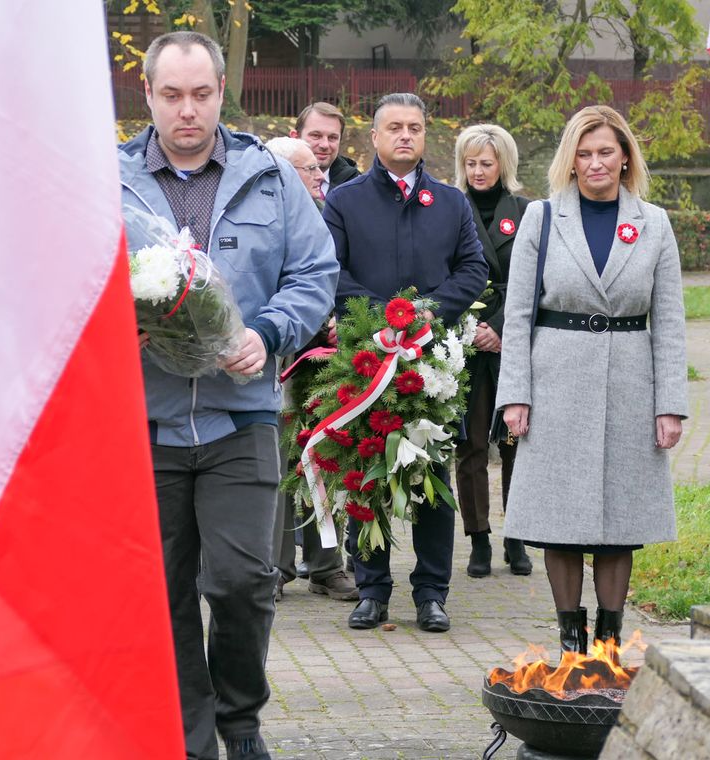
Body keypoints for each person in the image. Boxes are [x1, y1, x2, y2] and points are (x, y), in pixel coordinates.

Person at [119, 31, 339, 760]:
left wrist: (269, 333)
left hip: (240, 416)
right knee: (162, 593)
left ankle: (239, 716)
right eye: (172, 95)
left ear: (222, 91)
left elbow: (314, 273)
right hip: (141, 424)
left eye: (202, 94)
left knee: (244, 579)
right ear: (147, 94)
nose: (188, 110)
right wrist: (120, 326)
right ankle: (191, 736)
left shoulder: (268, 178)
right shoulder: (107, 180)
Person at [495, 105, 687, 656]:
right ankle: (570, 643)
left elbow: (669, 320)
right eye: (584, 153)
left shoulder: (655, 223)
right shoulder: (542, 218)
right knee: (559, 522)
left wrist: (669, 403)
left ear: (625, 157)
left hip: (631, 384)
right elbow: (517, 314)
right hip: (556, 382)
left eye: (606, 151)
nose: (595, 162)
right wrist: (516, 394)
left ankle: (609, 641)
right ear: (570, 161)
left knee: (618, 524)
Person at [323, 93, 488, 633]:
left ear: (424, 136)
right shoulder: (345, 202)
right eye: (393, 127)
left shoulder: (450, 202)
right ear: (372, 138)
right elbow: (329, 269)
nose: (405, 136)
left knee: (434, 477)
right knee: (368, 471)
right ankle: (371, 589)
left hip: (433, 359)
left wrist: (423, 315)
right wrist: (380, 318)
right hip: (367, 359)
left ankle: (432, 592)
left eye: (414, 127)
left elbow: (472, 267)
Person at [264, 136, 358, 603]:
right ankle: (276, 566)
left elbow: (336, 276)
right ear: (281, 172)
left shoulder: (327, 217)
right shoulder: (260, 219)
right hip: (273, 361)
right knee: (279, 465)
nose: (322, 175)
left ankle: (327, 565)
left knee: (325, 455)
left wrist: (339, 320)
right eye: (309, 169)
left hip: (321, 360)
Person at [452, 124, 534, 579]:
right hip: (465, 339)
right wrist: (472, 327)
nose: (478, 171)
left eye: (486, 162)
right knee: (471, 443)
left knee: (515, 440)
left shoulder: (526, 211)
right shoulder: (450, 208)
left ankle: (517, 536)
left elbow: (531, 283)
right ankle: (478, 537)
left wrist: (500, 329)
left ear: (504, 163)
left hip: (511, 337)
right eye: (470, 163)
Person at [290, 102, 359, 200]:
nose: (325, 145)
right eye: (316, 136)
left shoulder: (356, 186)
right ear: (295, 138)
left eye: (332, 137)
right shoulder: (273, 181)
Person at [266, 136, 324, 204]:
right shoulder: (259, 212)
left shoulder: (325, 211)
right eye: (311, 168)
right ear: (282, 172)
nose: (321, 176)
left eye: (317, 167)